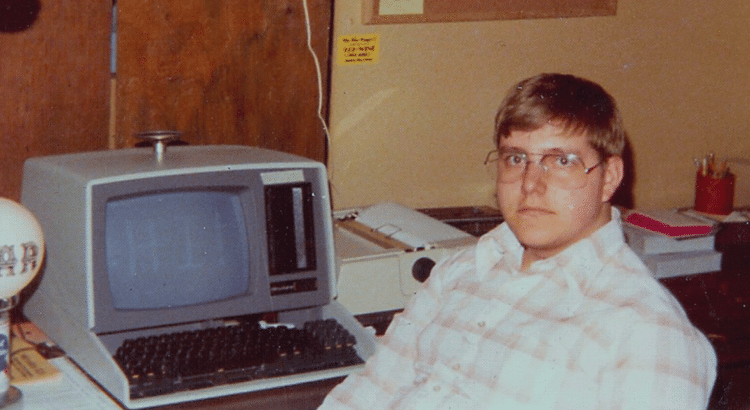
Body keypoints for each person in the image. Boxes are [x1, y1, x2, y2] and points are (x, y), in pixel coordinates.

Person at [318, 73, 717, 409]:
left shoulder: (648, 333)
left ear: (609, 177)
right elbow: (369, 393)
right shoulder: (460, 271)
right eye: (515, 159)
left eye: (562, 161)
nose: (530, 184)